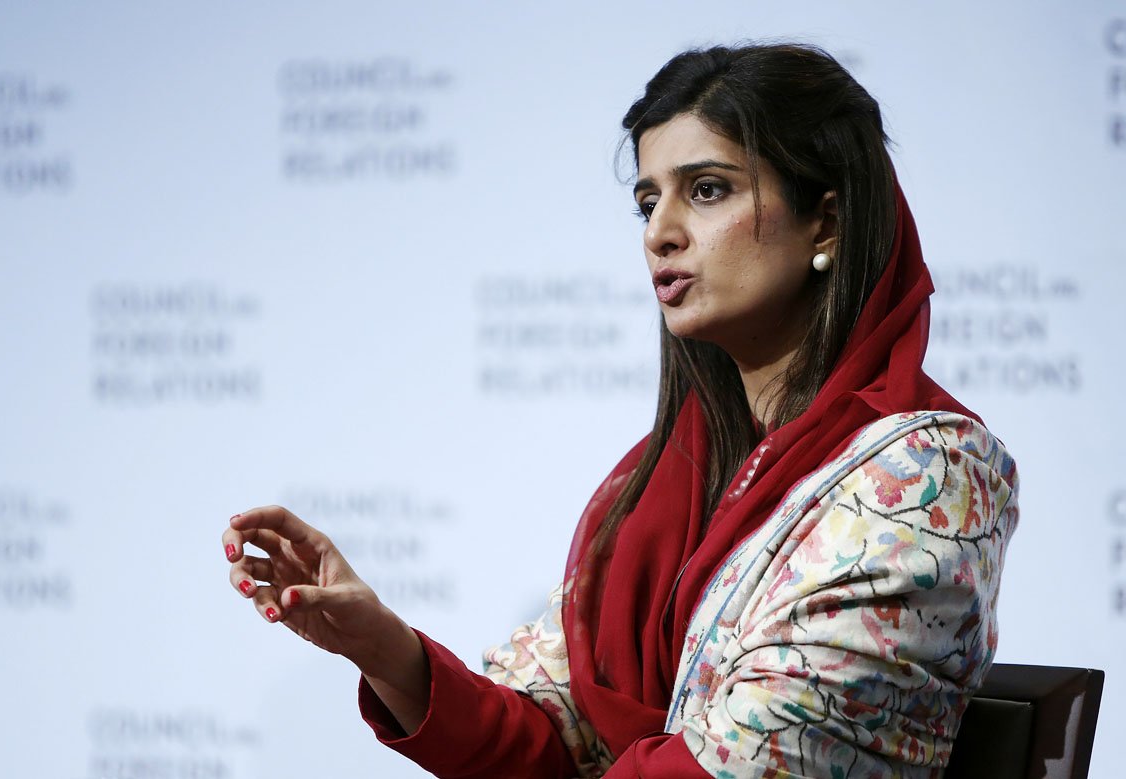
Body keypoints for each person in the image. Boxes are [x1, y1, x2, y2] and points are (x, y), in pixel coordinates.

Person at [222, 43, 1018, 778]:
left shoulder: (928, 471)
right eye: (647, 202)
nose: (660, 234)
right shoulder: (664, 480)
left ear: (829, 219)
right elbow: (547, 739)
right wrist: (385, 648)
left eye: (707, 191)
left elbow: (749, 764)